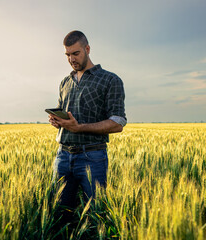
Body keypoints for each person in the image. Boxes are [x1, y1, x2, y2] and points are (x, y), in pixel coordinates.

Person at [49, 30, 127, 228]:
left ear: (87, 49)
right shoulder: (65, 82)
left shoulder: (110, 80)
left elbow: (117, 123)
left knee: (96, 217)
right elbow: (66, 116)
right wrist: (58, 121)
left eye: (75, 53)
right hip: (63, 156)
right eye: (67, 55)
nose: (71, 59)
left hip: (92, 157)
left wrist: (79, 127)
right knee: (59, 216)